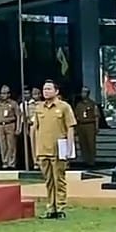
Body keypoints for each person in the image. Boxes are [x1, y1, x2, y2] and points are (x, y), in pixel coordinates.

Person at [34, 80, 76, 219]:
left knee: (59, 179)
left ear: (56, 91)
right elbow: (35, 129)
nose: (46, 91)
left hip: (58, 149)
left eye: (49, 89)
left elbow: (70, 127)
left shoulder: (64, 107)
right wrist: (35, 149)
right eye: (44, 89)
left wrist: (69, 148)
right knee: (48, 180)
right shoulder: (39, 107)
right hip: (43, 149)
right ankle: (50, 208)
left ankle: (60, 207)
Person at [0, 85, 20, 169]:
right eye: (2, 93)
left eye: (5, 93)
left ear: (9, 94)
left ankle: (12, 162)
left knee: (11, 145)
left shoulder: (13, 103)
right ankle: (4, 161)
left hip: (10, 124)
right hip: (1, 125)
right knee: (3, 145)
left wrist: (18, 128)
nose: (3, 95)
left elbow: (18, 116)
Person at [74, 87, 100, 168]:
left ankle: (92, 161)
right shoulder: (79, 105)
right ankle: (85, 160)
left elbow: (96, 116)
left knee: (90, 143)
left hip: (90, 125)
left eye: (85, 92)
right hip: (81, 125)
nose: (83, 94)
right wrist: (76, 128)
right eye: (82, 92)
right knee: (83, 143)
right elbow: (76, 116)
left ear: (88, 93)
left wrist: (96, 127)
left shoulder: (92, 104)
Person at [27, 87, 42, 169]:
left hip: (41, 126)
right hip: (32, 125)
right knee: (33, 144)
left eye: (37, 94)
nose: (35, 95)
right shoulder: (29, 104)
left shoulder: (43, 104)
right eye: (33, 94)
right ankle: (35, 162)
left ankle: (41, 161)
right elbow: (27, 116)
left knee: (40, 144)